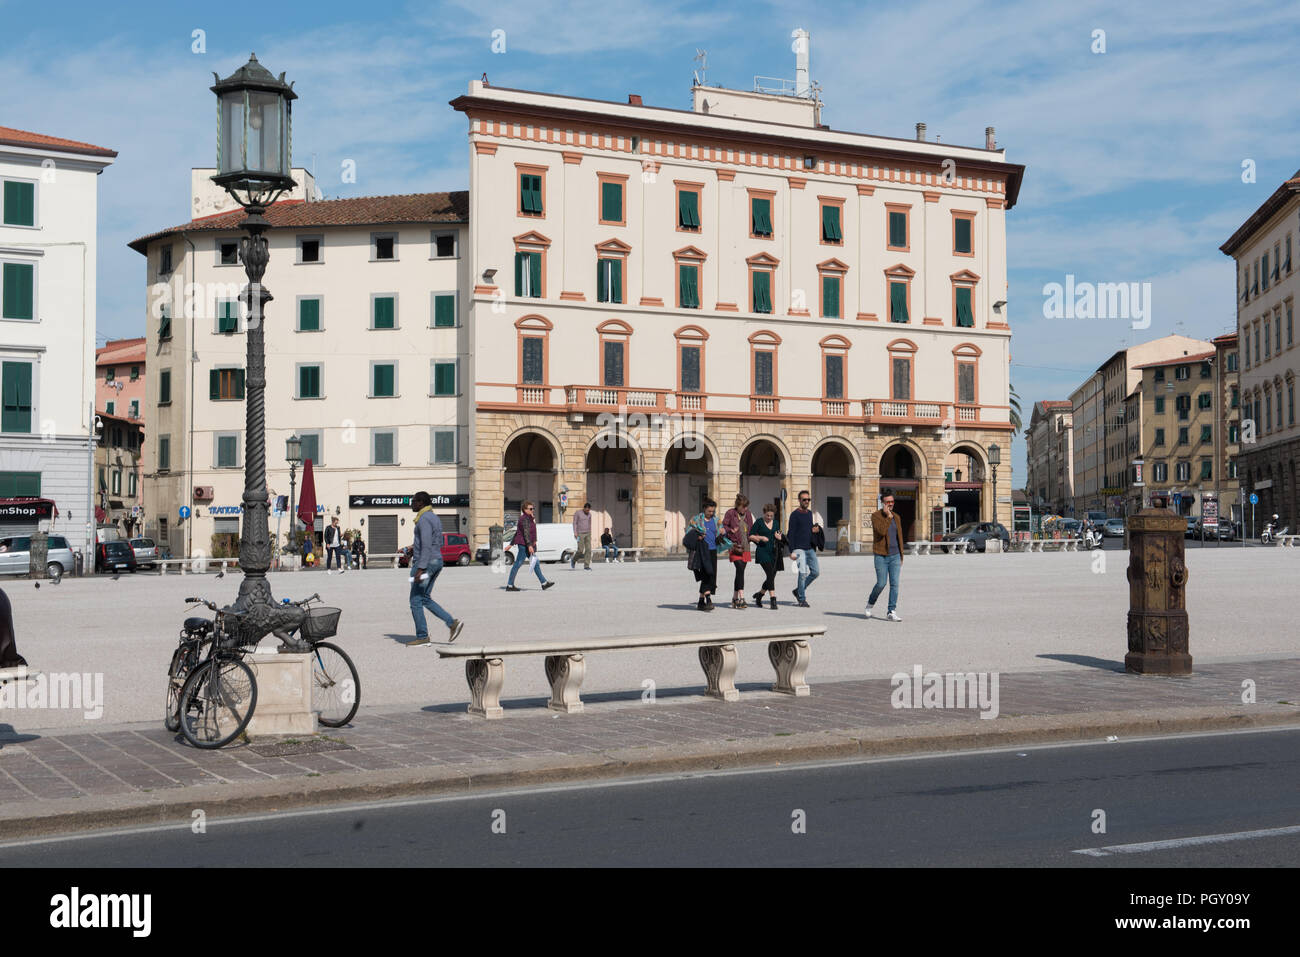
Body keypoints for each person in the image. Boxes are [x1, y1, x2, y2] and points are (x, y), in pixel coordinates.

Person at [407, 491, 464, 644]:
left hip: (426, 563)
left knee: (415, 600)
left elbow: (426, 545)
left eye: (414, 501)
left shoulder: (423, 519)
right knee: (425, 598)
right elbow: (433, 542)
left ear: (420, 502)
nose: (412, 504)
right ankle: (452, 623)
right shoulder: (433, 517)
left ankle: (422, 636)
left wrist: (420, 568)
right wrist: (413, 548)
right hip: (436, 560)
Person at [866, 489, 905, 621]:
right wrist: (888, 517)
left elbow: (899, 537)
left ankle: (891, 611)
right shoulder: (876, 516)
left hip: (894, 556)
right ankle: (870, 603)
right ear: (882, 503)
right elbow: (881, 531)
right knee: (881, 583)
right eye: (887, 502)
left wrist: (901, 556)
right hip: (881, 556)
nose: (890, 504)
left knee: (895, 584)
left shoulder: (897, 517)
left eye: (892, 502)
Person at [506, 501, 555, 592]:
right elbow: (526, 533)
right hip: (524, 545)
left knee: (535, 563)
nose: (533, 510)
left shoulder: (529, 518)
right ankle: (510, 585)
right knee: (518, 564)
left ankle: (544, 583)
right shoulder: (524, 519)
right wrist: (529, 545)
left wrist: (511, 544)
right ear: (525, 510)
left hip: (527, 544)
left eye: (533, 508)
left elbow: (518, 532)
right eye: (531, 509)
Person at [786, 490, 821, 607]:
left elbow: (807, 529)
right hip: (799, 549)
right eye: (804, 499)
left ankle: (798, 590)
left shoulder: (810, 513)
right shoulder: (794, 515)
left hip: (809, 548)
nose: (806, 501)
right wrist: (791, 551)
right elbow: (791, 533)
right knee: (802, 573)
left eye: (808, 500)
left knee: (816, 572)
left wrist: (814, 530)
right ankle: (801, 599)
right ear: (799, 500)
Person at [722, 493, 757, 608]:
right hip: (735, 547)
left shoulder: (748, 514)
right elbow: (724, 526)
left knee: (740, 572)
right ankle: (742, 598)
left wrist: (756, 538)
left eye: (746, 506)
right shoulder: (730, 513)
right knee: (740, 568)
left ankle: (734, 598)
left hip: (745, 547)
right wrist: (731, 530)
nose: (745, 509)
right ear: (738, 505)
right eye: (743, 506)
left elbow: (751, 529)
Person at [686, 499, 721, 611]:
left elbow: (720, 531)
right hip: (702, 550)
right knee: (707, 573)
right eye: (709, 511)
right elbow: (688, 532)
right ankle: (708, 599)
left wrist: (723, 531)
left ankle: (701, 602)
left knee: (711, 574)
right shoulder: (696, 519)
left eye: (713, 511)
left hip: (713, 550)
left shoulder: (716, 520)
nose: (711, 513)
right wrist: (697, 537)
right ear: (704, 509)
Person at [750, 503, 783, 610]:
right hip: (762, 551)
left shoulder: (777, 523)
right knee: (769, 573)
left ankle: (760, 595)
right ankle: (773, 599)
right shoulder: (759, 522)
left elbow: (779, 534)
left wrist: (778, 537)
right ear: (764, 513)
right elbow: (750, 535)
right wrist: (760, 537)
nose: (769, 518)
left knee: (771, 576)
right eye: (767, 515)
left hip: (774, 552)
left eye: (771, 516)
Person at [571, 502, 593, 571]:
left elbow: (589, 524)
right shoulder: (578, 513)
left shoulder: (589, 514)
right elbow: (574, 523)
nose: (587, 511)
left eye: (588, 510)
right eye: (586, 510)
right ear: (584, 508)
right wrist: (575, 533)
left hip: (588, 533)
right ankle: (574, 560)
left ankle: (586, 566)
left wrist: (590, 533)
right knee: (580, 550)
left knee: (588, 549)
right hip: (580, 534)